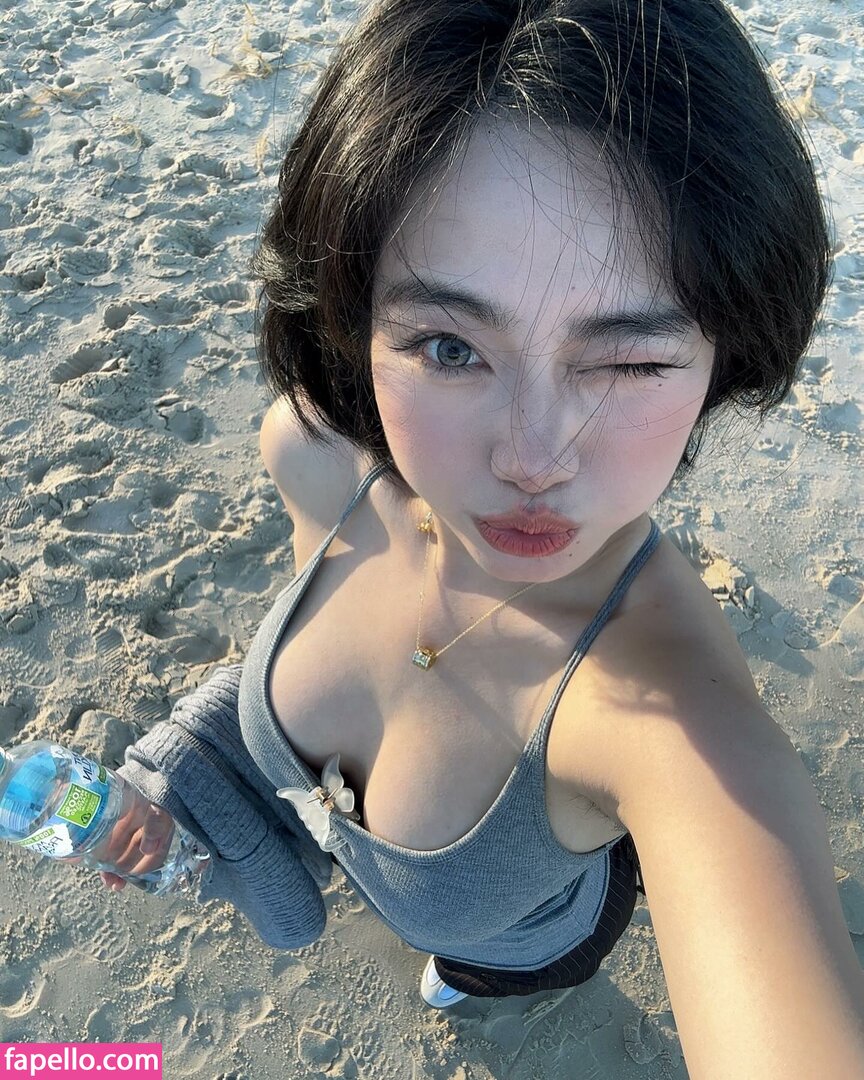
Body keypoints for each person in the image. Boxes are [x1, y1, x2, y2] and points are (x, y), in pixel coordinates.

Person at [99, 0, 864, 1073]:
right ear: (354, 323)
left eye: (630, 361)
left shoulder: (680, 724)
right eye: (450, 348)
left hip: (536, 940)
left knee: (492, 964)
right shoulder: (312, 455)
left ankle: (472, 973)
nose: (532, 457)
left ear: (721, 360)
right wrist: (177, 786)